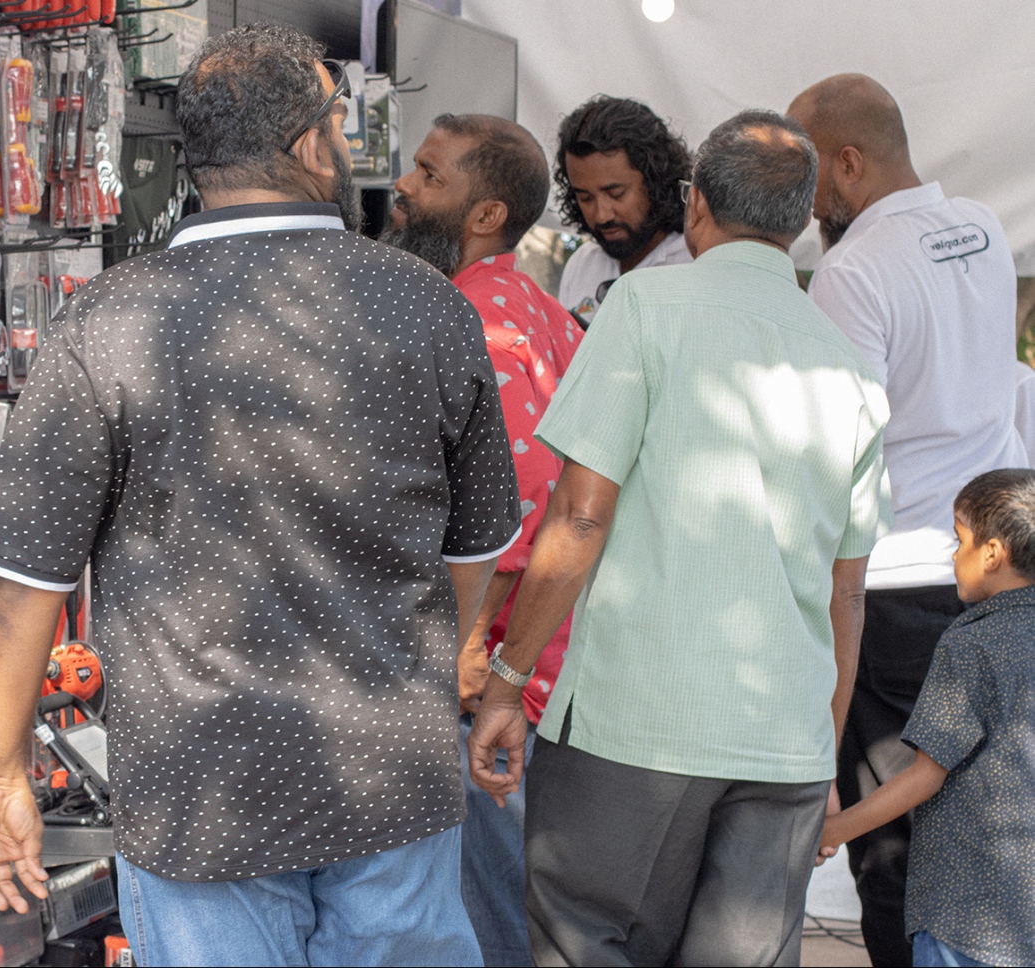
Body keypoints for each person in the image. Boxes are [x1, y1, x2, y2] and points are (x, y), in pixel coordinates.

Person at [0, 23, 522, 968]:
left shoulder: (106, 317)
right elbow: (473, 554)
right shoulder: (431, 305)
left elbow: (27, 587)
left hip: (199, 784)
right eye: (339, 123)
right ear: (311, 146)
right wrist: (404, 670)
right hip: (388, 771)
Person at [468, 110, 893, 967]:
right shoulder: (849, 364)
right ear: (802, 221)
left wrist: (507, 681)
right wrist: (821, 747)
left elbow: (579, 516)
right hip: (785, 741)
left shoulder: (643, 307)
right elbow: (846, 591)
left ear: (695, 204)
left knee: (585, 940)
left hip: (635, 726)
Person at [786, 73, 1029, 967]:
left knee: (896, 847)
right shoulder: (982, 227)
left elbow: (834, 446)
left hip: (894, 581)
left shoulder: (853, 270)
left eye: (810, 171)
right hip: (996, 567)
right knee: (991, 828)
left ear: (849, 163)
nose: (803, 198)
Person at [380, 112, 582, 968]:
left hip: (491, 679)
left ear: (487, 213)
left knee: (487, 922)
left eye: (429, 174)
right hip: (534, 668)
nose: (403, 186)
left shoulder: (477, 315)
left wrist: (472, 652)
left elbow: (524, 501)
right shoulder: (540, 309)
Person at [819, 468, 1035, 968]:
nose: (953, 557)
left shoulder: (970, 643)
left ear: (992, 554)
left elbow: (926, 775)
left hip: (966, 918)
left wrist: (835, 829)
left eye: (958, 541)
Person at [553, 95, 693, 327]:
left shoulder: (694, 264)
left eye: (616, 194)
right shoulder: (581, 264)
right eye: (585, 198)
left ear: (656, 181)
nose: (602, 215)